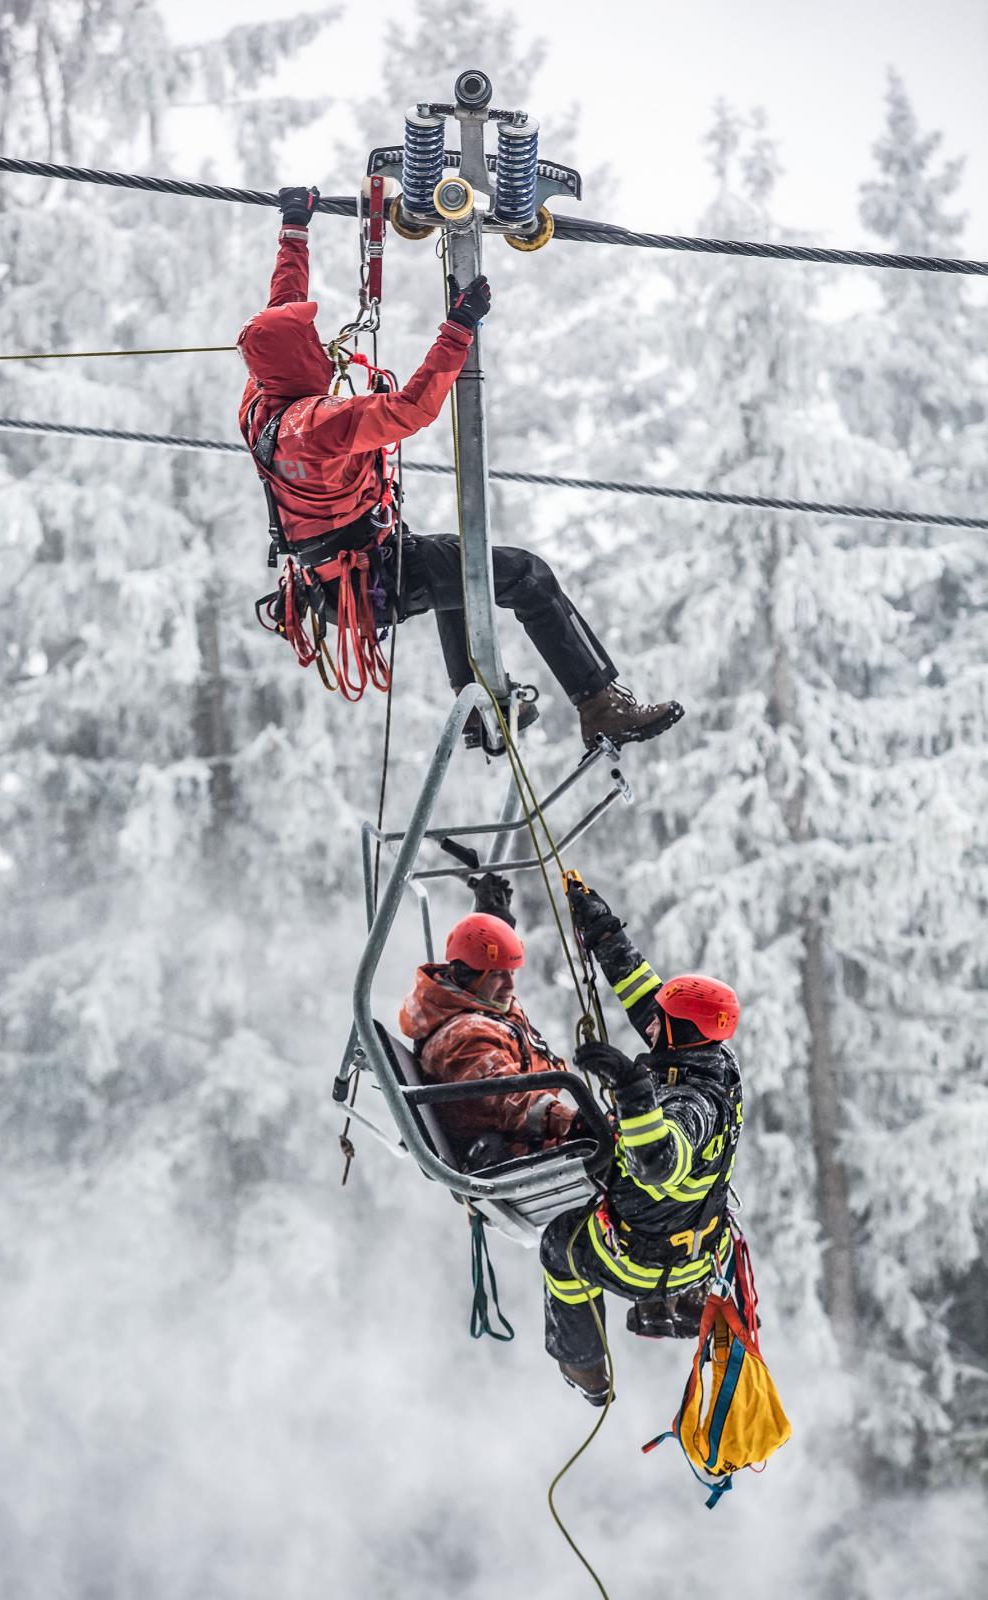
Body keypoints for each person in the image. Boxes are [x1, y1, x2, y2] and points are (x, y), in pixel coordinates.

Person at [237, 184, 684, 749]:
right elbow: (410, 409)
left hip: (338, 577)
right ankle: (601, 704)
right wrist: (458, 328)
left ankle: (479, 706)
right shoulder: (315, 424)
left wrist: (294, 227)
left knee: (462, 569)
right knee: (526, 576)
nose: (324, 348)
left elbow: (277, 314)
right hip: (371, 576)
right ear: (297, 358)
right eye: (313, 343)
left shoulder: (261, 401)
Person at [540, 881, 744, 1406]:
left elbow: (657, 1163)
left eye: (663, 1023)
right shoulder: (699, 1053)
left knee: (560, 1245)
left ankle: (585, 1368)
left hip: (647, 1258)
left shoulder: (694, 1101)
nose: (651, 1025)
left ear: (681, 1033)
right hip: (702, 1244)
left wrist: (632, 1093)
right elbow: (642, 994)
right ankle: (676, 1301)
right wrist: (601, 927)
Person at [397, 875, 580, 1165]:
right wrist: (575, 1122)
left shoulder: (473, 1004)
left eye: (512, 972)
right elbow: (509, 1097)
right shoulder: (463, 1038)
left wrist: (492, 923)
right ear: (469, 976)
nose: (510, 985)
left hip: (537, 1141)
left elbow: (479, 961)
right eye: (497, 974)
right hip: (526, 1154)